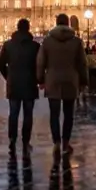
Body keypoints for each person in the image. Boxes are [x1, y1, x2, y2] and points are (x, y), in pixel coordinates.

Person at [37, 14, 88, 155]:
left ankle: (56, 143)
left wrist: (40, 80)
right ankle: (66, 143)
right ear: (68, 24)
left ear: (56, 23)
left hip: (52, 80)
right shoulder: (77, 41)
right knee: (68, 114)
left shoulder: (47, 41)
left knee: (54, 114)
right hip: (71, 81)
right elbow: (82, 63)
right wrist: (84, 81)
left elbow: (40, 62)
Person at [0, 19, 40, 154]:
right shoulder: (35, 46)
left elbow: (0, 64)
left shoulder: (8, 45)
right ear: (28, 28)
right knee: (28, 115)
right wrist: (38, 79)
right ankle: (26, 141)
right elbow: (40, 65)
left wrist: (8, 77)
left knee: (13, 114)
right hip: (30, 84)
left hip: (13, 84)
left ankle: (12, 140)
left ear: (17, 28)